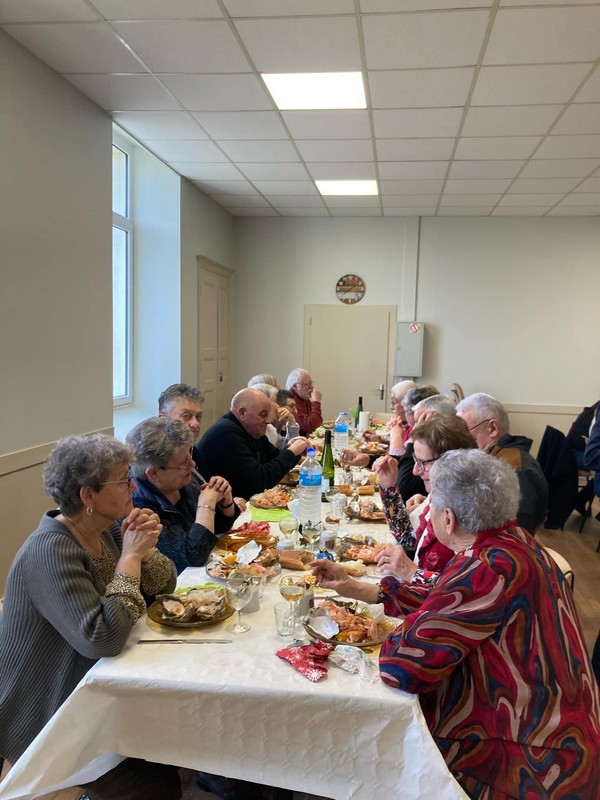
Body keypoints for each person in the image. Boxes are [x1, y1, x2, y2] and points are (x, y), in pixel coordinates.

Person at [312, 450, 600, 799]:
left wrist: (404, 628)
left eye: (432, 506)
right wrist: (362, 590)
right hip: (567, 740)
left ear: (448, 519)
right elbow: (447, 597)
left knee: (366, 752)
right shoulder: (514, 543)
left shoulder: (486, 568)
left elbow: (402, 666)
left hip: (526, 764)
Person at [0, 434, 181, 800]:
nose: (133, 485)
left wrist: (144, 552)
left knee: (173, 740)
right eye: (122, 479)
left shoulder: (107, 530)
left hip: (98, 683)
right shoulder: (50, 551)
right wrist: (129, 560)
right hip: (50, 705)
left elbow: (166, 585)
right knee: (153, 786)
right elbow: (102, 637)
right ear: (88, 496)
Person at [126, 418, 238, 573]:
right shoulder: (140, 507)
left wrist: (225, 503)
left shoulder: (184, 480)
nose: (192, 464)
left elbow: (215, 530)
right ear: (154, 474)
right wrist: (207, 505)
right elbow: (192, 557)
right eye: (183, 462)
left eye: (189, 455)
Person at [373, 415, 476, 574]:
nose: (415, 470)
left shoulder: (470, 511)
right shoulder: (440, 495)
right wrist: (389, 489)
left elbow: (460, 587)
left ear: (451, 461)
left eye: (423, 462)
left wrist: (411, 572)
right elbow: (407, 538)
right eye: (415, 460)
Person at [456, 392, 548, 534]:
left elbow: (518, 532)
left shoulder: (516, 469)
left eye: (465, 431)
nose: (460, 439)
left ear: (492, 428)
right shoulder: (493, 458)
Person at [194, 388, 309, 499]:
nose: (268, 421)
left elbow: (274, 456)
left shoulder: (251, 429)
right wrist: (291, 452)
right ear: (242, 412)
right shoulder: (226, 433)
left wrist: (290, 448)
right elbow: (259, 481)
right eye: (263, 414)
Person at [158, 383, 204, 465]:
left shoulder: (193, 451)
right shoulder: (157, 460)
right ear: (163, 419)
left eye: (198, 417)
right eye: (186, 416)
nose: (195, 423)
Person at [285, 368, 323, 436]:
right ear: (295, 386)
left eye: (311, 383)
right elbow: (310, 426)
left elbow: (318, 422)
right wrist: (316, 402)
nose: (311, 387)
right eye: (307, 384)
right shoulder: (291, 402)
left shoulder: (303, 397)